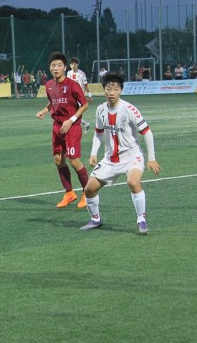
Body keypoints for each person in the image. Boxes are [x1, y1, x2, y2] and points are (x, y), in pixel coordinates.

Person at [80, 72, 161, 234]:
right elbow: (98, 133)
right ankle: (95, 219)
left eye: (115, 89)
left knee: (133, 182)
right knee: (89, 189)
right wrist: (93, 153)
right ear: (104, 90)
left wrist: (151, 158)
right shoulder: (101, 110)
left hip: (132, 157)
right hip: (110, 160)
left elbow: (147, 132)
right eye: (108, 89)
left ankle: (141, 220)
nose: (111, 92)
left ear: (121, 91)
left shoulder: (129, 109)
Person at [36, 52, 90, 209]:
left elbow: (84, 105)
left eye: (59, 65)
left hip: (71, 127)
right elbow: (52, 102)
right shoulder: (48, 85)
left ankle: (88, 193)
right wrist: (44, 111)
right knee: (58, 160)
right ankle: (69, 193)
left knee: (74, 160)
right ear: (49, 68)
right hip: (57, 127)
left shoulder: (73, 85)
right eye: (53, 65)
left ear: (65, 67)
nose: (56, 68)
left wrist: (71, 120)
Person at [67, 57, 93, 133]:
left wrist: (90, 95)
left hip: (79, 96)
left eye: (75, 63)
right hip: (71, 96)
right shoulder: (69, 73)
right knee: (73, 113)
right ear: (70, 65)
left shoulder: (82, 74)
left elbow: (86, 85)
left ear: (77, 64)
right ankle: (86, 124)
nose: (73, 65)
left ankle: (80, 127)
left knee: (73, 113)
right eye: (72, 64)